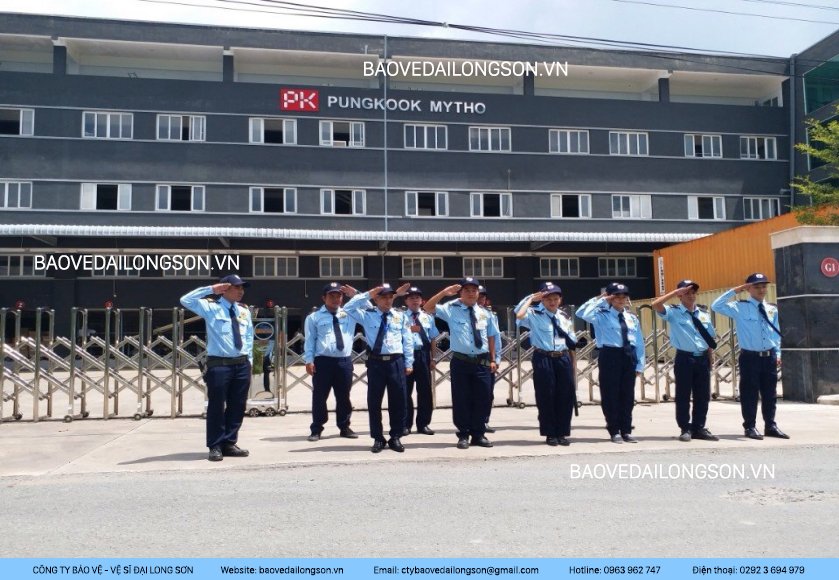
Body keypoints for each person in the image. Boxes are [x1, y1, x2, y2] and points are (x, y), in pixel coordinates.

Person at [180, 274, 254, 462]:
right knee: (216, 406)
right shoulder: (211, 307)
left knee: (238, 405)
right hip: (219, 365)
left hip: (241, 364)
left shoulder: (243, 310)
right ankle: (215, 445)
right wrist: (211, 289)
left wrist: (250, 361)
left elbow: (248, 337)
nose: (241, 291)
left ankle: (229, 443)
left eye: (242, 288)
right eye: (237, 287)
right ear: (225, 288)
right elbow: (185, 300)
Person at [423, 277, 499, 449]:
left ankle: (478, 434)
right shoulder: (451, 309)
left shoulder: (486, 314)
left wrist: (493, 359)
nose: (471, 293)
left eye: (474, 290)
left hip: (482, 361)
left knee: (483, 398)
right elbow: (427, 307)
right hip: (461, 361)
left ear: (478, 293)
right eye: (467, 290)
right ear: (460, 293)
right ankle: (463, 434)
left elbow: (491, 337)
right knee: (461, 399)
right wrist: (444, 293)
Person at [711, 273, 788, 440]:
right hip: (750, 357)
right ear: (748, 289)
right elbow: (716, 306)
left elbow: (775, 334)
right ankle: (750, 427)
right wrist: (736, 290)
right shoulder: (740, 307)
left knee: (770, 394)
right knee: (749, 393)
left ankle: (770, 425)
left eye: (763, 286)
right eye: (757, 286)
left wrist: (777, 353)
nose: (761, 290)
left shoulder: (771, 309)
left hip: (769, 356)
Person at [344, 283, 414, 453]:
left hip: (396, 361)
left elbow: (408, 340)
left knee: (398, 400)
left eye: (390, 297)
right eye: (383, 297)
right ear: (376, 299)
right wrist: (367, 293)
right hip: (376, 362)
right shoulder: (367, 315)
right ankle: (377, 437)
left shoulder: (400, 316)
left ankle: (396, 436)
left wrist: (409, 362)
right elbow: (348, 308)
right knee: (374, 401)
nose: (388, 300)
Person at [576, 282, 645, 443]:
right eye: (616, 297)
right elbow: (581, 313)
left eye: (623, 296)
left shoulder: (631, 318)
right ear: (610, 298)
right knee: (610, 394)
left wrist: (640, 364)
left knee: (627, 395)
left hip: (628, 355)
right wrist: (601, 299)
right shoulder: (601, 315)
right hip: (610, 355)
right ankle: (614, 430)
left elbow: (639, 342)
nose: (620, 300)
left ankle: (626, 430)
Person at [652, 280, 719, 442]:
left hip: (702, 358)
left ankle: (699, 427)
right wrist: (674, 293)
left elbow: (709, 338)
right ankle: (685, 428)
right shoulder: (673, 312)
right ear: (680, 296)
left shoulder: (703, 314)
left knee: (702, 396)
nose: (691, 296)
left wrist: (710, 358)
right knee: (683, 395)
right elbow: (655, 305)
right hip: (685, 358)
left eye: (693, 292)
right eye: (686, 293)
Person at [515, 282, 577, 446]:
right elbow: (519, 314)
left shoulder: (564, 316)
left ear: (560, 300)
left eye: (555, 298)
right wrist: (530, 298)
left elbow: (571, 341)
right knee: (546, 395)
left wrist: (573, 364)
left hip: (563, 358)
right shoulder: (534, 314)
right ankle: (550, 433)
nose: (552, 302)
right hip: (544, 357)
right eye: (548, 299)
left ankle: (562, 432)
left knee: (565, 396)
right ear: (542, 300)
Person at [302, 282, 358, 442]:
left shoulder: (350, 314)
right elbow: (310, 340)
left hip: (344, 362)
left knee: (344, 396)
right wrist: (309, 360)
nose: (335, 299)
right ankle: (316, 428)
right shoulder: (314, 317)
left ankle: (344, 426)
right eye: (331, 296)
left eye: (338, 295)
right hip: (323, 362)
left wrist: (355, 294)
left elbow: (368, 306)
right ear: (323, 298)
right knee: (319, 396)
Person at [400, 286, 440, 436]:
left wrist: (433, 358)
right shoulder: (401, 317)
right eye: (411, 298)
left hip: (423, 356)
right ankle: (406, 424)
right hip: (406, 356)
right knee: (405, 391)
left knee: (425, 391)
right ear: (406, 301)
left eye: (417, 298)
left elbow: (433, 339)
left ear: (422, 301)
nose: (415, 301)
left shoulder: (427, 317)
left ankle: (423, 424)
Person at [478, 285, 501, 433]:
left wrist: (496, 358)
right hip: (472, 356)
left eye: (483, 297)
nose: (480, 299)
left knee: (487, 392)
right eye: (478, 296)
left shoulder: (490, 315)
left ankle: (484, 421)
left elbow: (496, 338)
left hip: (488, 356)